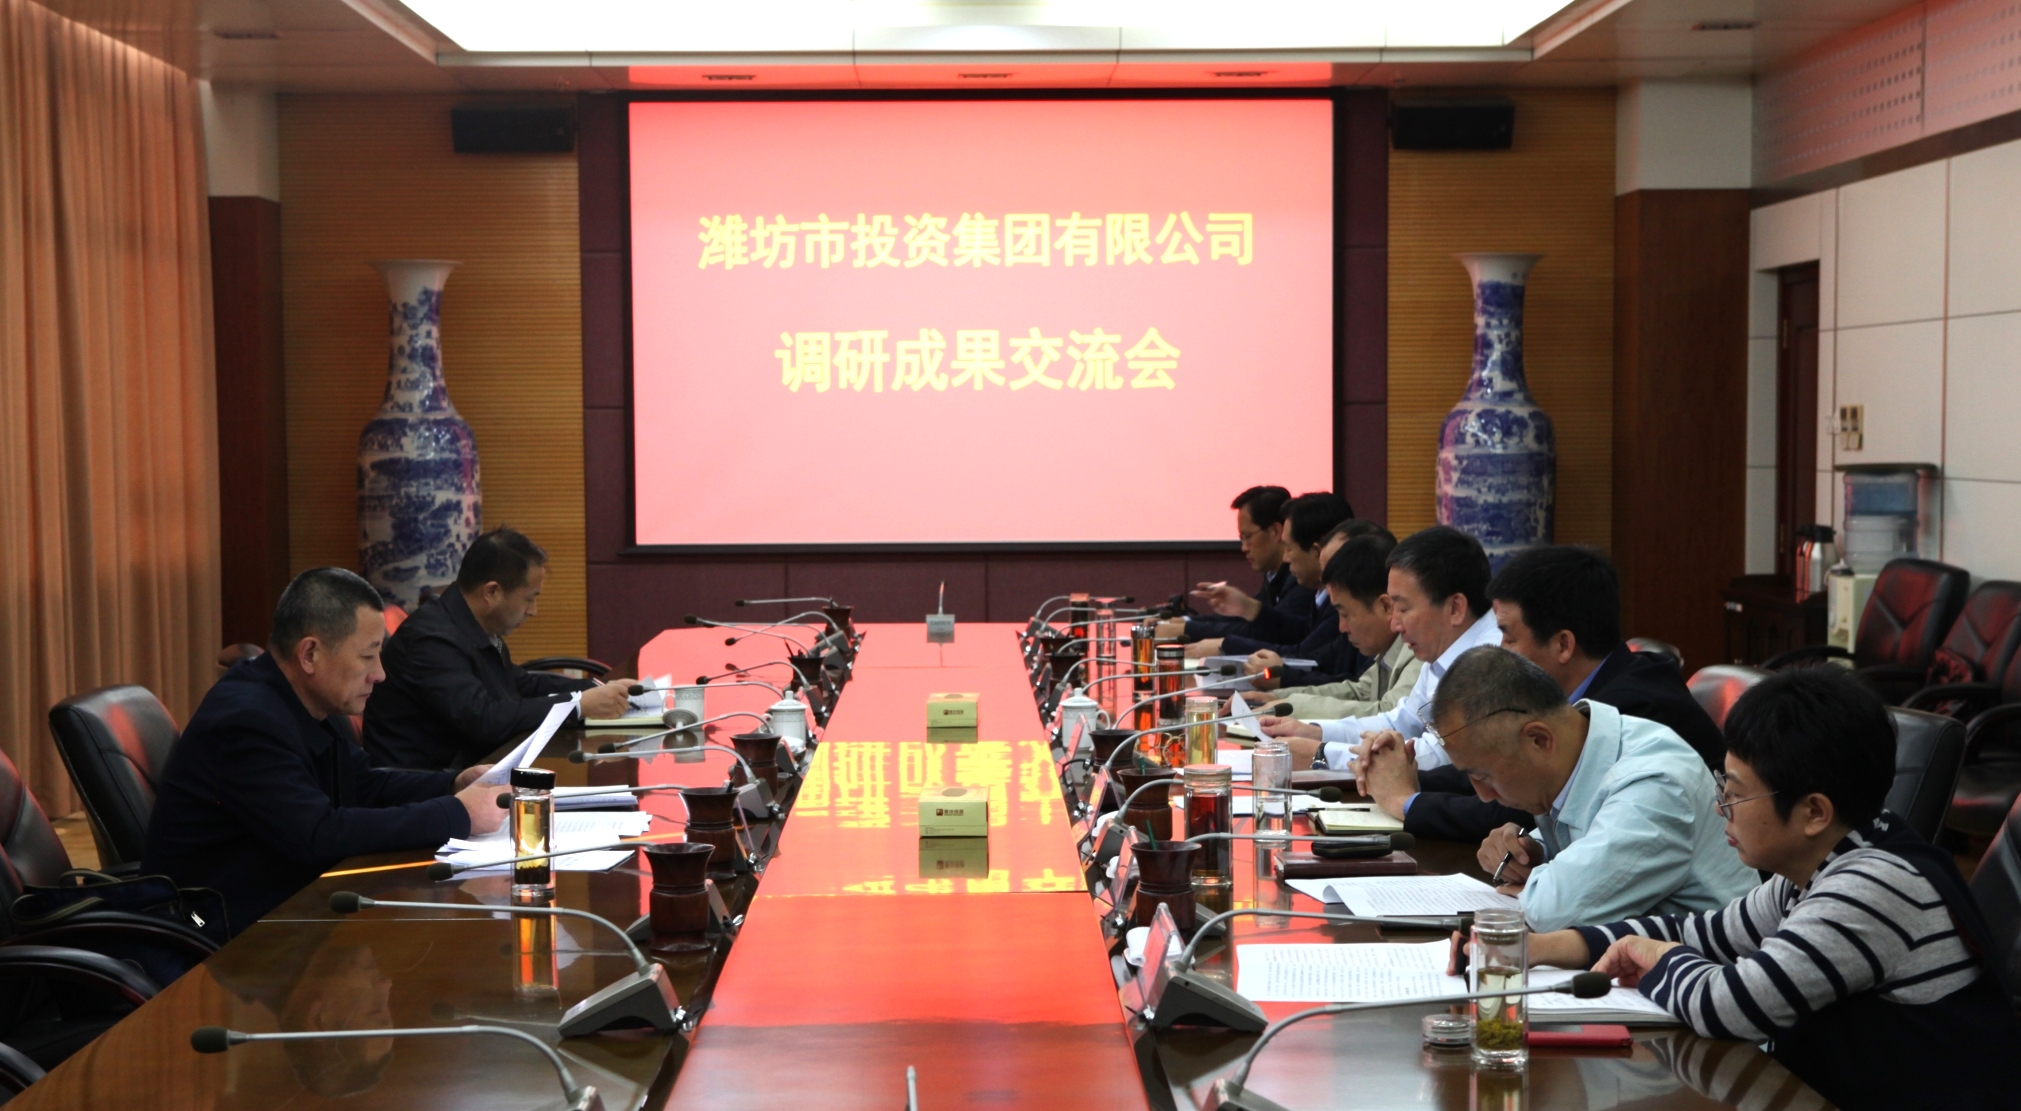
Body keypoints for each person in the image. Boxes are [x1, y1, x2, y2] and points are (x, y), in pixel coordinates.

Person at [1524, 668, 2021, 1111]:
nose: (1721, 808)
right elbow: (1704, 934)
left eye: (1736, 794)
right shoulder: (1814, 868)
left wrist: (1661, 956)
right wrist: (1544, 948)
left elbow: (1733, 1006)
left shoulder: (1872, 888)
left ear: (1814, 813)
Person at [143, 568, 506, 935]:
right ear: (310, 654)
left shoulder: (304, 699)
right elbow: (317, 835)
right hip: (217, 931)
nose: (380, 674)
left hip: (285, 906)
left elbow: (361, 784)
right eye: (367, 656)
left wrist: (452, 785)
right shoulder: (246, 720)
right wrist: (458, 814)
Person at [1363, 545, 1725, 841]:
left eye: (1508, 636)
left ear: (1563, 645)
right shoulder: (1586, 690)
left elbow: (1516, 806)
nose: (1501, 651)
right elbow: (1495, 768)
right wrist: (1404, 774)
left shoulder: (1634, 709)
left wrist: (1405, 801)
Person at [1429, 646, 1754, 931]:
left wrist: (1538, 887)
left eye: (1483, 775)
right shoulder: (1581, 748)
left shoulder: (1655, 783)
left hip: (1707, 972)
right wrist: (1533, 850)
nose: (1483, 795)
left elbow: (1555, 913)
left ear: (1538, 740)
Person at [364, 527, 633, 770]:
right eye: (529, 599)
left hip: (471, 768)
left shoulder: (468, 624)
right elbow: (484, 721)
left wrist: (599, 688)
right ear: (492, 592)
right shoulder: (431, 640)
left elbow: (521, 684)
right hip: (428, 788)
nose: (533, 611)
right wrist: (576, 706)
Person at [1257, 525, 1503, 774]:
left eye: (1403, 609)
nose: (1394, 624)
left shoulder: (1491, 660)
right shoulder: (1443, 649)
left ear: (1455, 608)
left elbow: (1438, 755)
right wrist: (1315, 732)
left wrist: (1322, 754)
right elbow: (1399, 723)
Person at [1245, 531, 1420, 718]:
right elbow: (1359, 693)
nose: (1342, 627)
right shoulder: (1389, 649)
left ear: (1385, 607)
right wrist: (1276, 698)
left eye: (1345, 614)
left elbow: (1389, 714)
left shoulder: (1419, 650)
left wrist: (1293, 706)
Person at [1185, 492, 1353, 659]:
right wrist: (1246, 608)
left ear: (1317, 551)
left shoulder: (1342, 598)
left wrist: (1226, 645)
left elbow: (1304, 655)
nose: (1285, 558)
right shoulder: (1320, 594)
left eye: (1289, 548)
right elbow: (1299, 631)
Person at [1174, 486, 1304, 642]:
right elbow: (1243, 619)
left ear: (1275, 532)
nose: (1243, 548)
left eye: (1248, 537)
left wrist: (1185, 630)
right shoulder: (1273, 574)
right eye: (1241, 539)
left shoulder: (1301, 577)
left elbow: (1274, 632)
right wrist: (1184, 622)